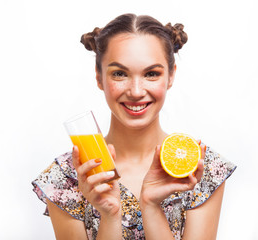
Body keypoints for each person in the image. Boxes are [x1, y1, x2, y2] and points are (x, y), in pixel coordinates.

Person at [32, 13, 236, 240]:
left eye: (152, 74)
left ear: (171, 76)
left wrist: (151, 207)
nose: (136, 91)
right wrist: (110, 216)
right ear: (99, 77)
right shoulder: (67, 176)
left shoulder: (197, 167)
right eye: (119, 74)